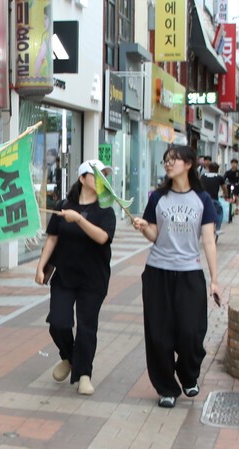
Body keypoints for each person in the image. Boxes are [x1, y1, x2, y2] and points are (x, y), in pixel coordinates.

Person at [130, 144, 222, 408]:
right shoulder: (158, 197)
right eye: (166, 160)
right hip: (158, 272)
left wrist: (215, 280)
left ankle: (188, 375)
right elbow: (154, 236)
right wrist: (143, 227)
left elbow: (209, 241)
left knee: (191, 333)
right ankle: (166, 388)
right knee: (159, 336)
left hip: (189, 273)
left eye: (174, 159)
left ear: (189, 164)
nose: (168, 164)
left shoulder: (202, 199)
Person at [34, 158, 116, 396]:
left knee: (86, 328)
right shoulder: (63, 205)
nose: (102, 180)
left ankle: (83, 375)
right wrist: (40, 266)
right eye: (97, 175)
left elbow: (102, 237)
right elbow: (52, 238)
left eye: (105, 176)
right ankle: (69, 358)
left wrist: (79, 219)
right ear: (82, 178)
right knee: (58, 323)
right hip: (65, 275)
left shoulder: (105, 210)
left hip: (94, 278)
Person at [200, 161, 225, 237]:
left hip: (203, 200)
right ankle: (217, 228)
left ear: (208, 169)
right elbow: (224, 188)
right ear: (217, 169)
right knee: (219, 212)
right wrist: (226, 195)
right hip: (214, 199)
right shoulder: (219, 177)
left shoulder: (203, 176)